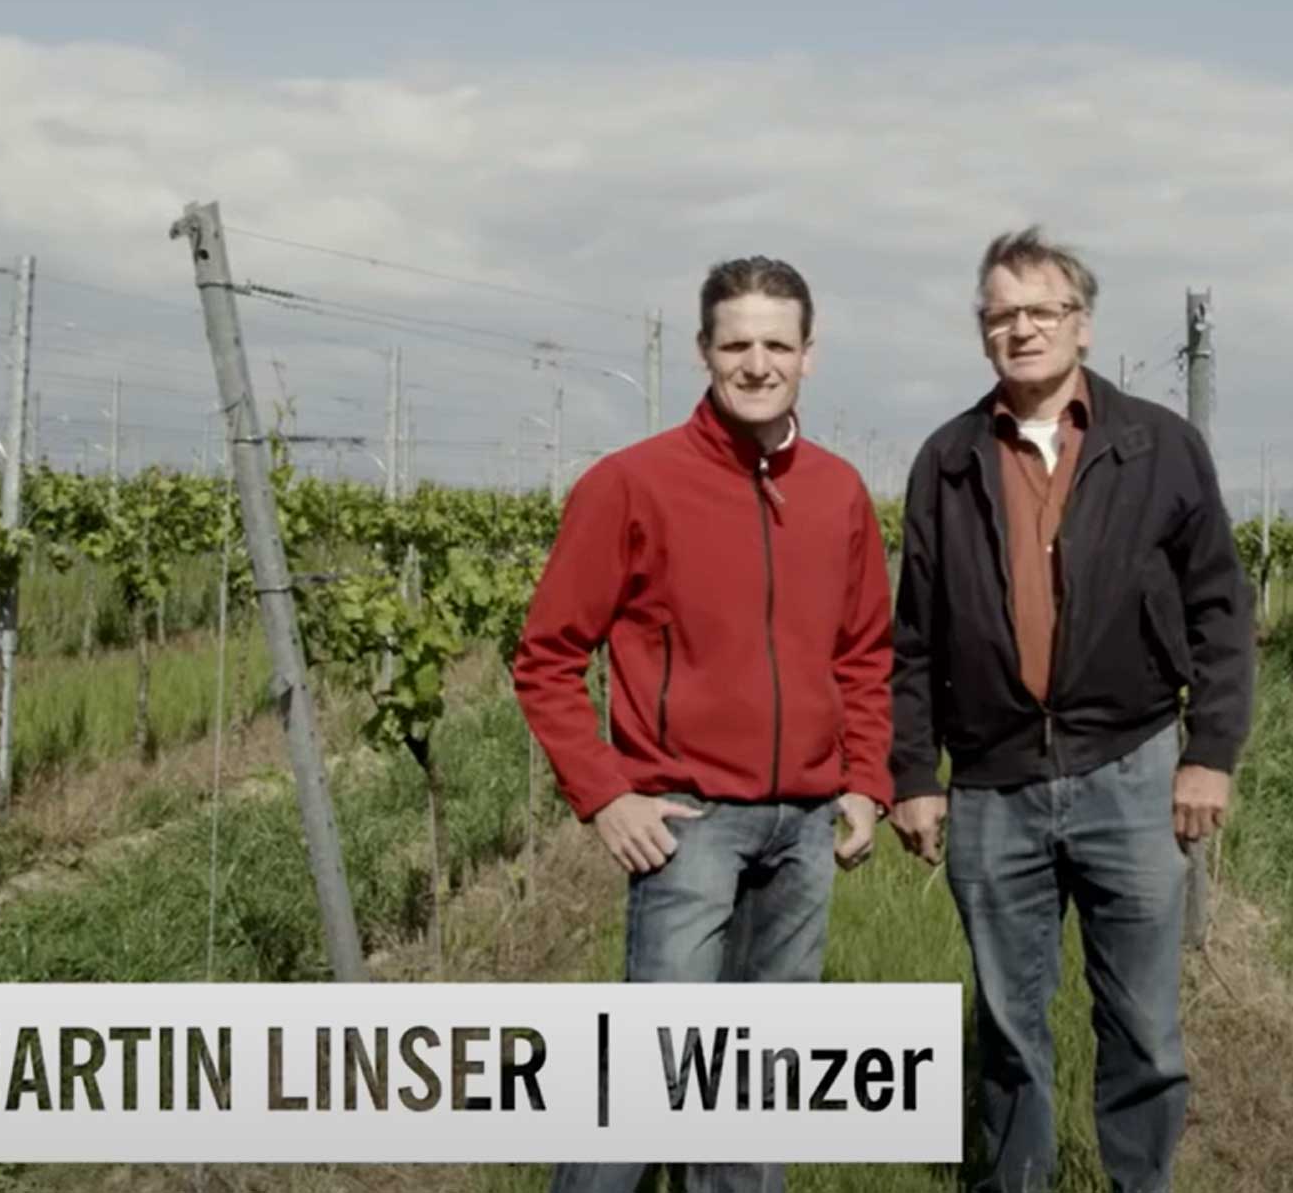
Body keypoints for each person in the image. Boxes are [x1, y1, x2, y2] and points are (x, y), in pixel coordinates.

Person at [512, 255, 896, 1193]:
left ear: (810, 355)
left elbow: (867, 653)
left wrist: (865, 779)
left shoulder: (840, 492)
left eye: (777, 343)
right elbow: (547, 658)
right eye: (737, 343)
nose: (756, 362)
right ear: (703, 352)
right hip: (686, 821)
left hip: (805, 825)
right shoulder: (632, 485)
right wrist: (604, 796)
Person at [887, 227, 1255, 1193]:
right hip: (995, 783)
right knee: (1009, 1025)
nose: (1022, 330)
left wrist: (1209, 751)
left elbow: (1221, 606)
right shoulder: (948, 459)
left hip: (1131, 769)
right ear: (982, 334)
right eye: (1001, 314)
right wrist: (915, 776)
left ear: (1081, 326)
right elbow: (914, 635)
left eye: (1041, 311)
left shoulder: (1158, 445)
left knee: (1142, 1024)